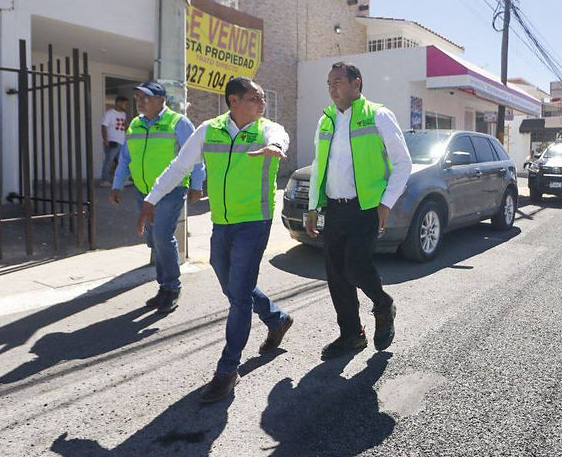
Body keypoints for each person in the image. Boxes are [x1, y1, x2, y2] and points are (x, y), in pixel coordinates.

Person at [138, 77, 291, 403]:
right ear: (233, 101)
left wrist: (277, 147)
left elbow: (281, 136)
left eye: (263, 99)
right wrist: (151, 198)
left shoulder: (267, 130)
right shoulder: (209, 129)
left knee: (238, 298)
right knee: (234, 286)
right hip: (221, 224)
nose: (262, 104)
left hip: (254, 223)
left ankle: (227, 370)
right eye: (256, 98)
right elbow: (180, 166)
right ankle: (276, 318)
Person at [304, 61, 412, 360]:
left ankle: (382, 304)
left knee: (355, 266)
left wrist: (386, 203)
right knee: (336, 276)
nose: (332, 86)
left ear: (356, 83)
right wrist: (313, 207)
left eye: (338, 80)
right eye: (329, 82)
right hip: (334, 209)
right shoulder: (325, 120)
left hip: (366, 208)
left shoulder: (378, 115)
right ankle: (351, 335)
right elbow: (318, 168)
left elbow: (403, 163)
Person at [110, 81, 205, 314]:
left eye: (147, 97)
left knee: (162, 237)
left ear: (161, 101)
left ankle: (172, 287)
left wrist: (196, 185)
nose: (140, 102)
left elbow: (196, 156)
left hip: (172, 190)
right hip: (144, 192)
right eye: (138, 98)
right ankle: (164, 286)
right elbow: (125, 158)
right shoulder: (135, 124)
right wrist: (117, 185)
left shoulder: (178, 122)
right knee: (153, 241)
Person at [99, 95, 128, 186]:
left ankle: (122, 180)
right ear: (118, 103)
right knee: (109, 161)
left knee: (123, 162)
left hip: (122, 142)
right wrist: (105, 140)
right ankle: (105, 180)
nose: (125, 106)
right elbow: (104, 126)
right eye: (124, 103)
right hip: (112, 142)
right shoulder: (110, 113)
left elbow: (124, 126)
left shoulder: (123, 114)